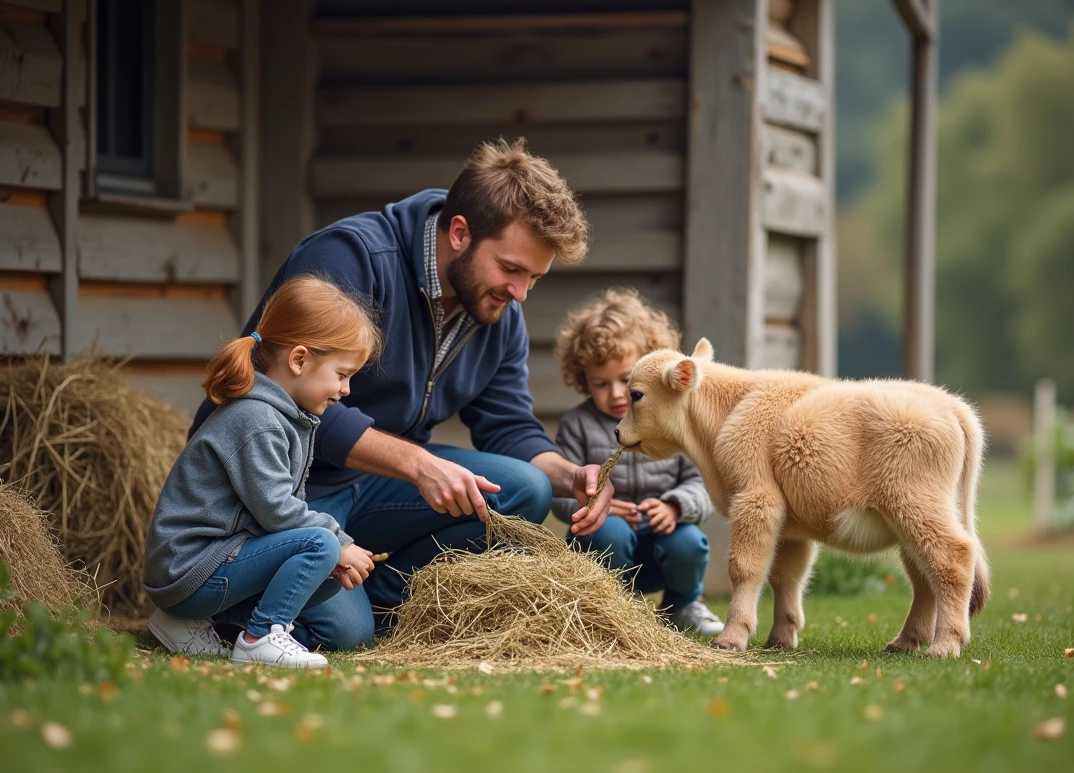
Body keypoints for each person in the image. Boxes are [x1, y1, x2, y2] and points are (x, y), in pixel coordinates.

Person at [189, 138, 617, 641]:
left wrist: (573, 476)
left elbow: (508, 425)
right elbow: (282, 399)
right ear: (460, 232)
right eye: (511, 269)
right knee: (344, 634)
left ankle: (380, 603)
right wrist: (418, 464)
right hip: (286, 481)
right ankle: (221, 604)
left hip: (372, 484)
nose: (520, 293)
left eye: (534, 278)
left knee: (529, 488)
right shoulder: (351, 257)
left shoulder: (498, 311)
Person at [144, 276, 382, 666]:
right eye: (342, 374)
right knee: (320, 546)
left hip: (208, 565)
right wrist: (339, 540)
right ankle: (260, 638)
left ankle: (181, 622)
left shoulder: (286, 416)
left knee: (324, 574)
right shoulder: (258, 420)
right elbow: (276, 511)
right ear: (300, 360)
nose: (346, 390)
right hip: (189, 568)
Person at [552, 288, 725, 636]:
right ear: (582, 377)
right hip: (605, 541)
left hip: (663, 537)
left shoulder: (675, 419)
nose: (616, 393)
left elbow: (705, 483)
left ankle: (683, 605)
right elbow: (559, 494)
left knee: (688, 541)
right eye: (600, 383)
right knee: (609, 532)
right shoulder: (578, 425)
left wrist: (676, 507)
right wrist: (591, 508)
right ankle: (609, 611)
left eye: (626, 380)